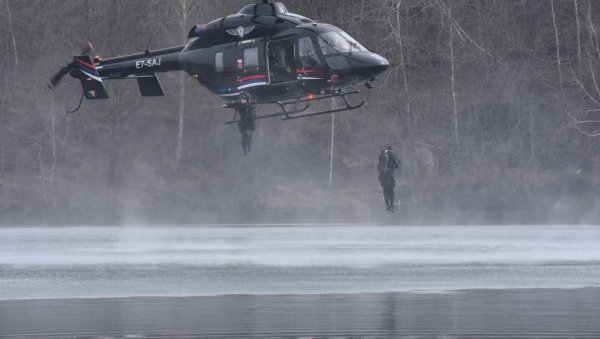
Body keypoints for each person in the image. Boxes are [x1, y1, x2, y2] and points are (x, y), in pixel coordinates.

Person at [377, 146, 401, 212]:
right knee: (391, 191)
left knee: (385, 190)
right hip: (390, 176)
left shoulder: (382, 156)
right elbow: (397, 165)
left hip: (383, 177)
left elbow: (378, 167)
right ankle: (392, 206)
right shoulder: (392, 155)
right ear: (391, 150)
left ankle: (387, 205)